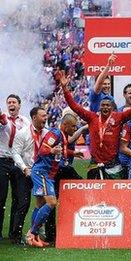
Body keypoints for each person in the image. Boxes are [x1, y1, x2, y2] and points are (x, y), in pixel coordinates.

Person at [59, 70, 131, 179]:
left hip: (113, 165)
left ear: (112, 108)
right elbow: (75, 107)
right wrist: (65, 89)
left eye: (108, 105)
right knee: (94, 193)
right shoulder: (92, 117)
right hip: (94, 164)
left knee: (114, 194)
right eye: (103, 105)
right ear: (99, 107)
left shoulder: (119, 117)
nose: (105, 107)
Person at [26, 113, 79, 247]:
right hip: (42, 173)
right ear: (65, 125)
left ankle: (34, 237)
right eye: (73, 126)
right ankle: (32, 233)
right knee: (52, 202)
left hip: (46, 173)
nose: (75, 128)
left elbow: (62, 151)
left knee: (39, 204)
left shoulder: (63, 136)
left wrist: (74, 153)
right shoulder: (55, 133)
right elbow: (43, 149)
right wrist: (52, 151)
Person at [9, 107, 48, 244]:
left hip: (40, 172)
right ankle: (15, 236)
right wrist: (24, 168)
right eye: (43, 116)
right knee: (23, 203)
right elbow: (15, 153)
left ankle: (41, 235)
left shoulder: (47, 134)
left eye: (46, 115)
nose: (45, 118)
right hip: (25, 171)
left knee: (45, 202)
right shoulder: (23, 133)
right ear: (34, 117)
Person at [0, 94, 30, 242]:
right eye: (9, 102)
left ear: (19, 105)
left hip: (18, 163)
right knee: (1, 197)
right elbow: (4, 123)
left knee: (19, 199)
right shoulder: (2, 118)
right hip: (2, 160)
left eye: (14, 102)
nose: (11, 104)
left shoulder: (25, 122)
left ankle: (15, 234)